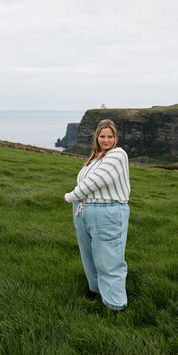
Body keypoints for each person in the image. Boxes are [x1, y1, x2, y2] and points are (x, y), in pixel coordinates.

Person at [64, 119, 130, 313]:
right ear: (97, 137)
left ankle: (115, 306)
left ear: (115, 138)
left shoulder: (118, 154)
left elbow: (96, 181)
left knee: (109, 259)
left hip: (106, 211)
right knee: (90, 256)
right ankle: (97, 292)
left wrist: (70, 196)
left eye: (110, 136)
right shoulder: (96, 156)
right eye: (103, 136)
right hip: (84, 211)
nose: (106, 140)